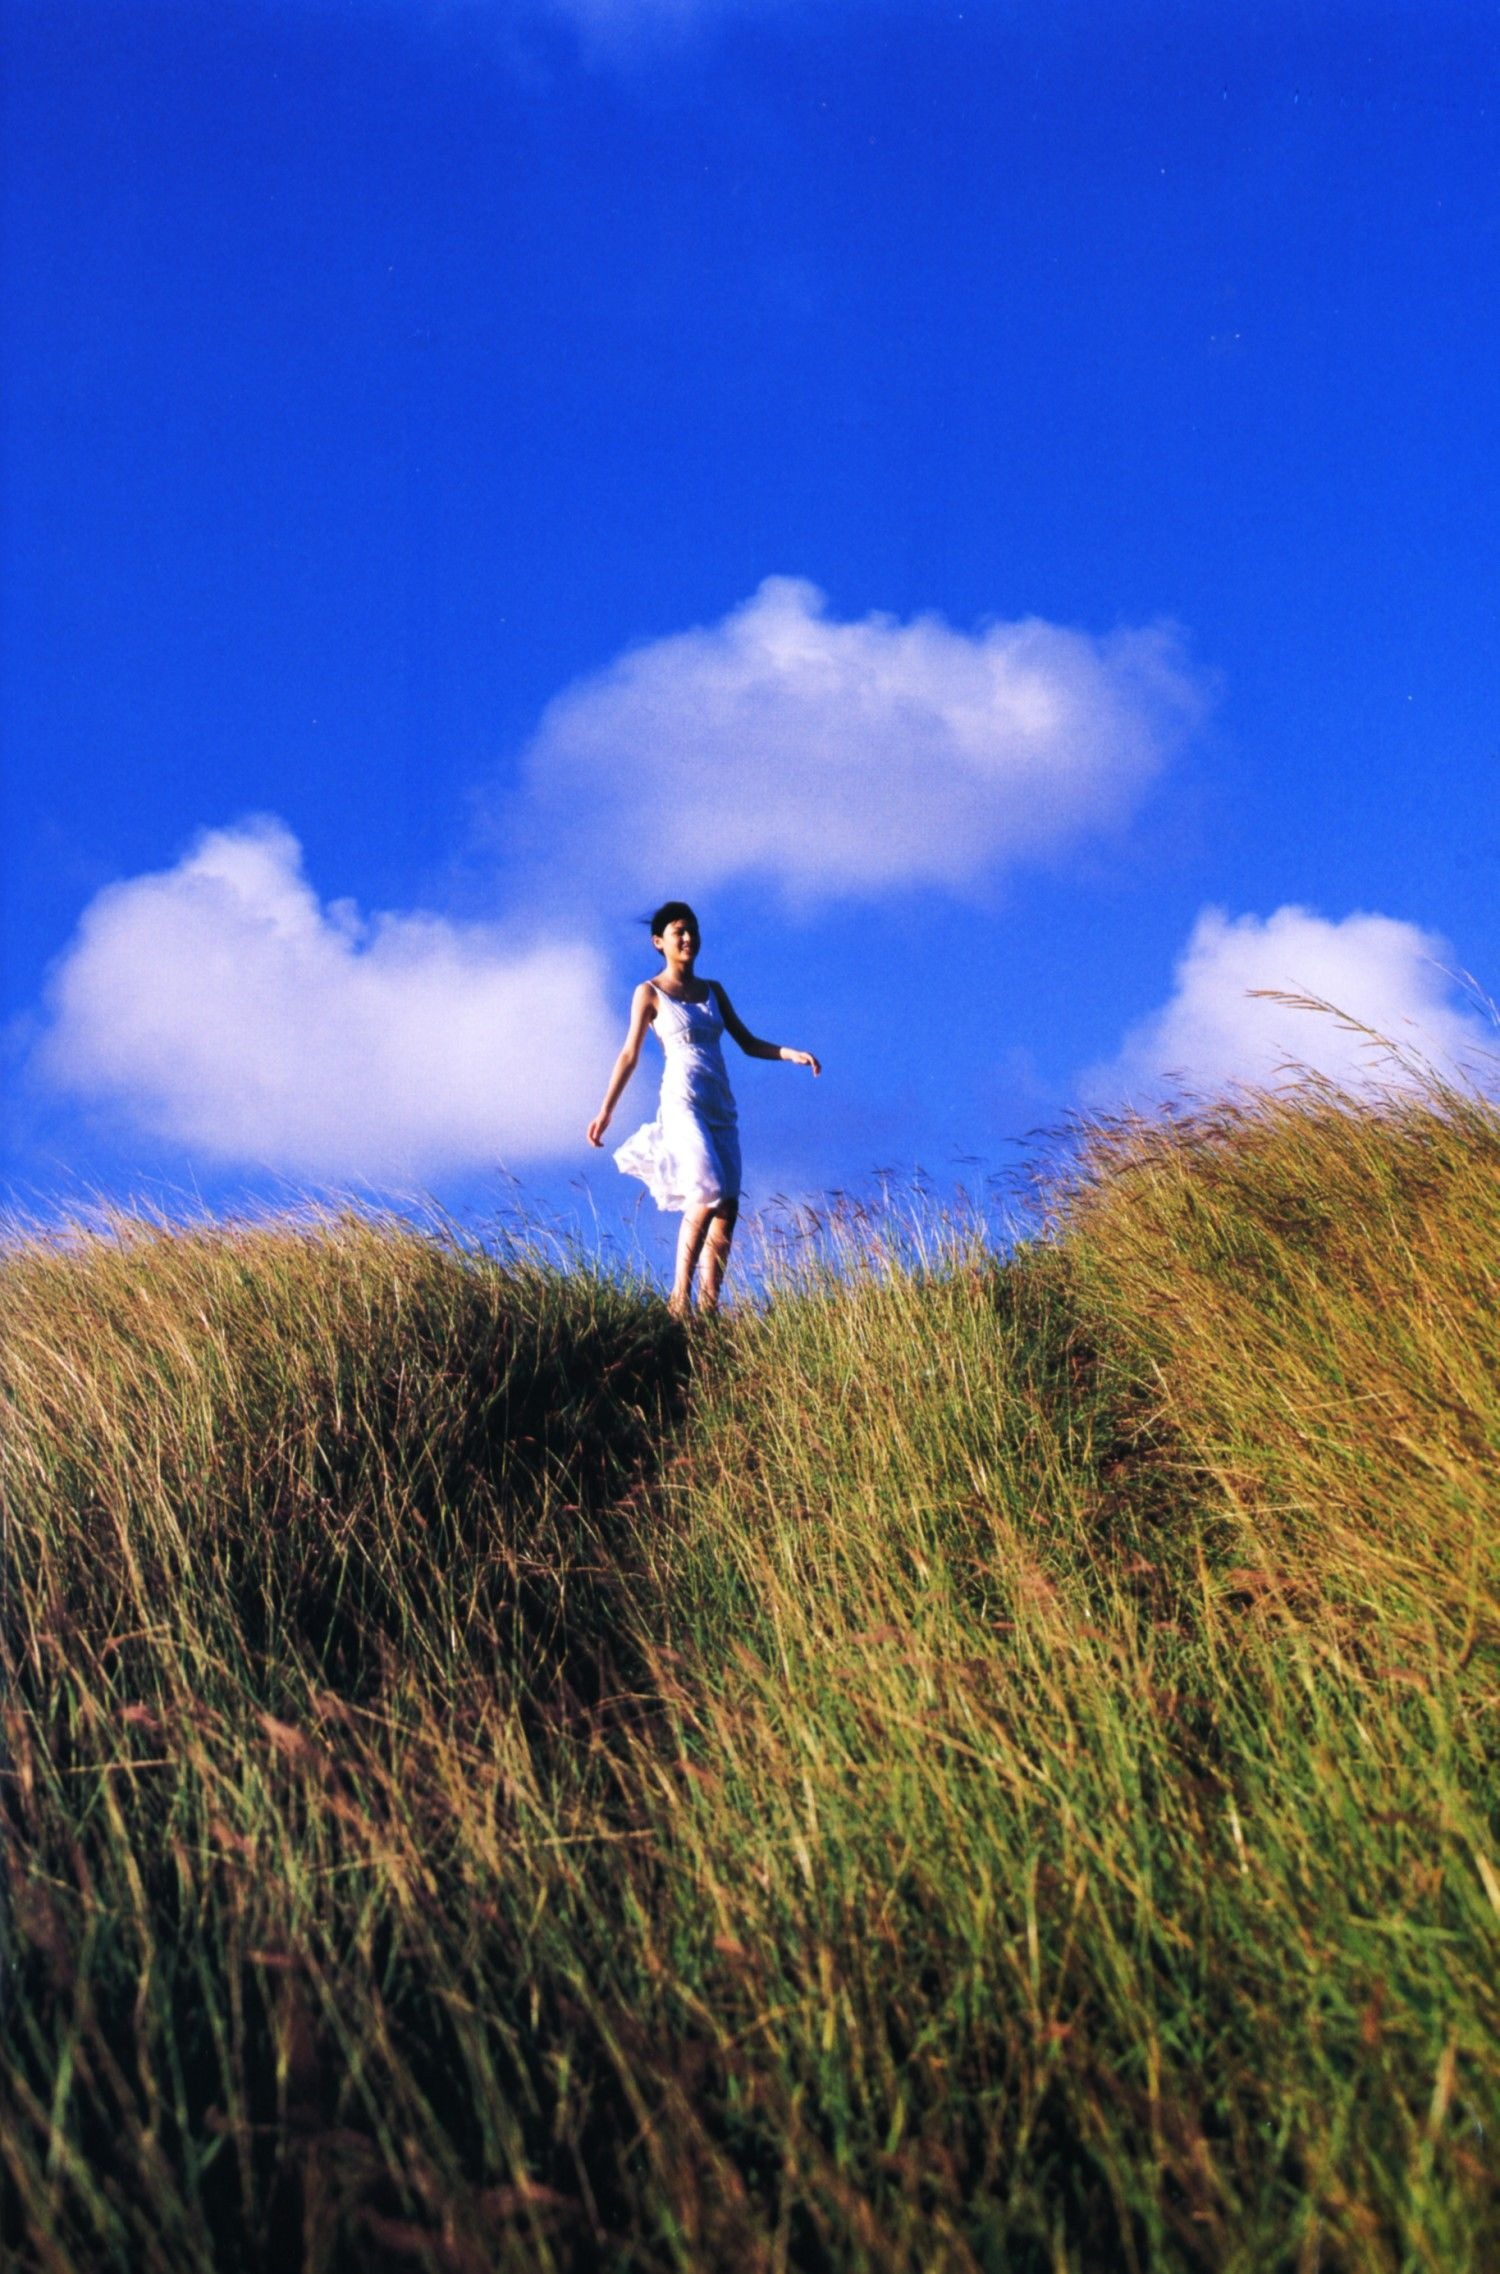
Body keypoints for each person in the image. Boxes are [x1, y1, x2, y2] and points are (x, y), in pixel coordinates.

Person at [587, 902, 821, 1316]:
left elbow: (747, 1042)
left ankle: (708, 1309)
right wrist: (606, 1110)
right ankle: (679, 1298)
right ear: (658, 942)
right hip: (683, 1101)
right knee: (706, 1190)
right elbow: (629, 1055)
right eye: (678, 931)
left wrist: (790, 1054)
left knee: (728, 1206)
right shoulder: (649, 992)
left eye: (692, 929)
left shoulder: (713, 990)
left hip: (720, 1106)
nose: (688, 938)